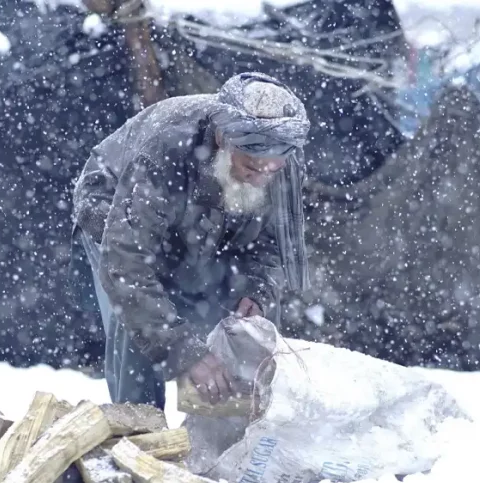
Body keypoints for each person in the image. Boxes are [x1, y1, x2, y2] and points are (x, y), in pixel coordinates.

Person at [70, 72, 311, 410]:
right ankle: (138, 434)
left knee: (250, 322)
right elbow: (126, 268)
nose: (262, 177)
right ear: (224, 139)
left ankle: (235, 437)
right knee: (138, 318)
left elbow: (275, 244)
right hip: (116, 208)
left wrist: (258, 291)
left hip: (207, 224)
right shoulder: (166, 149)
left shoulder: (283, 154)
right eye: (251, 166)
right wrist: (184, 351)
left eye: (271, 170)